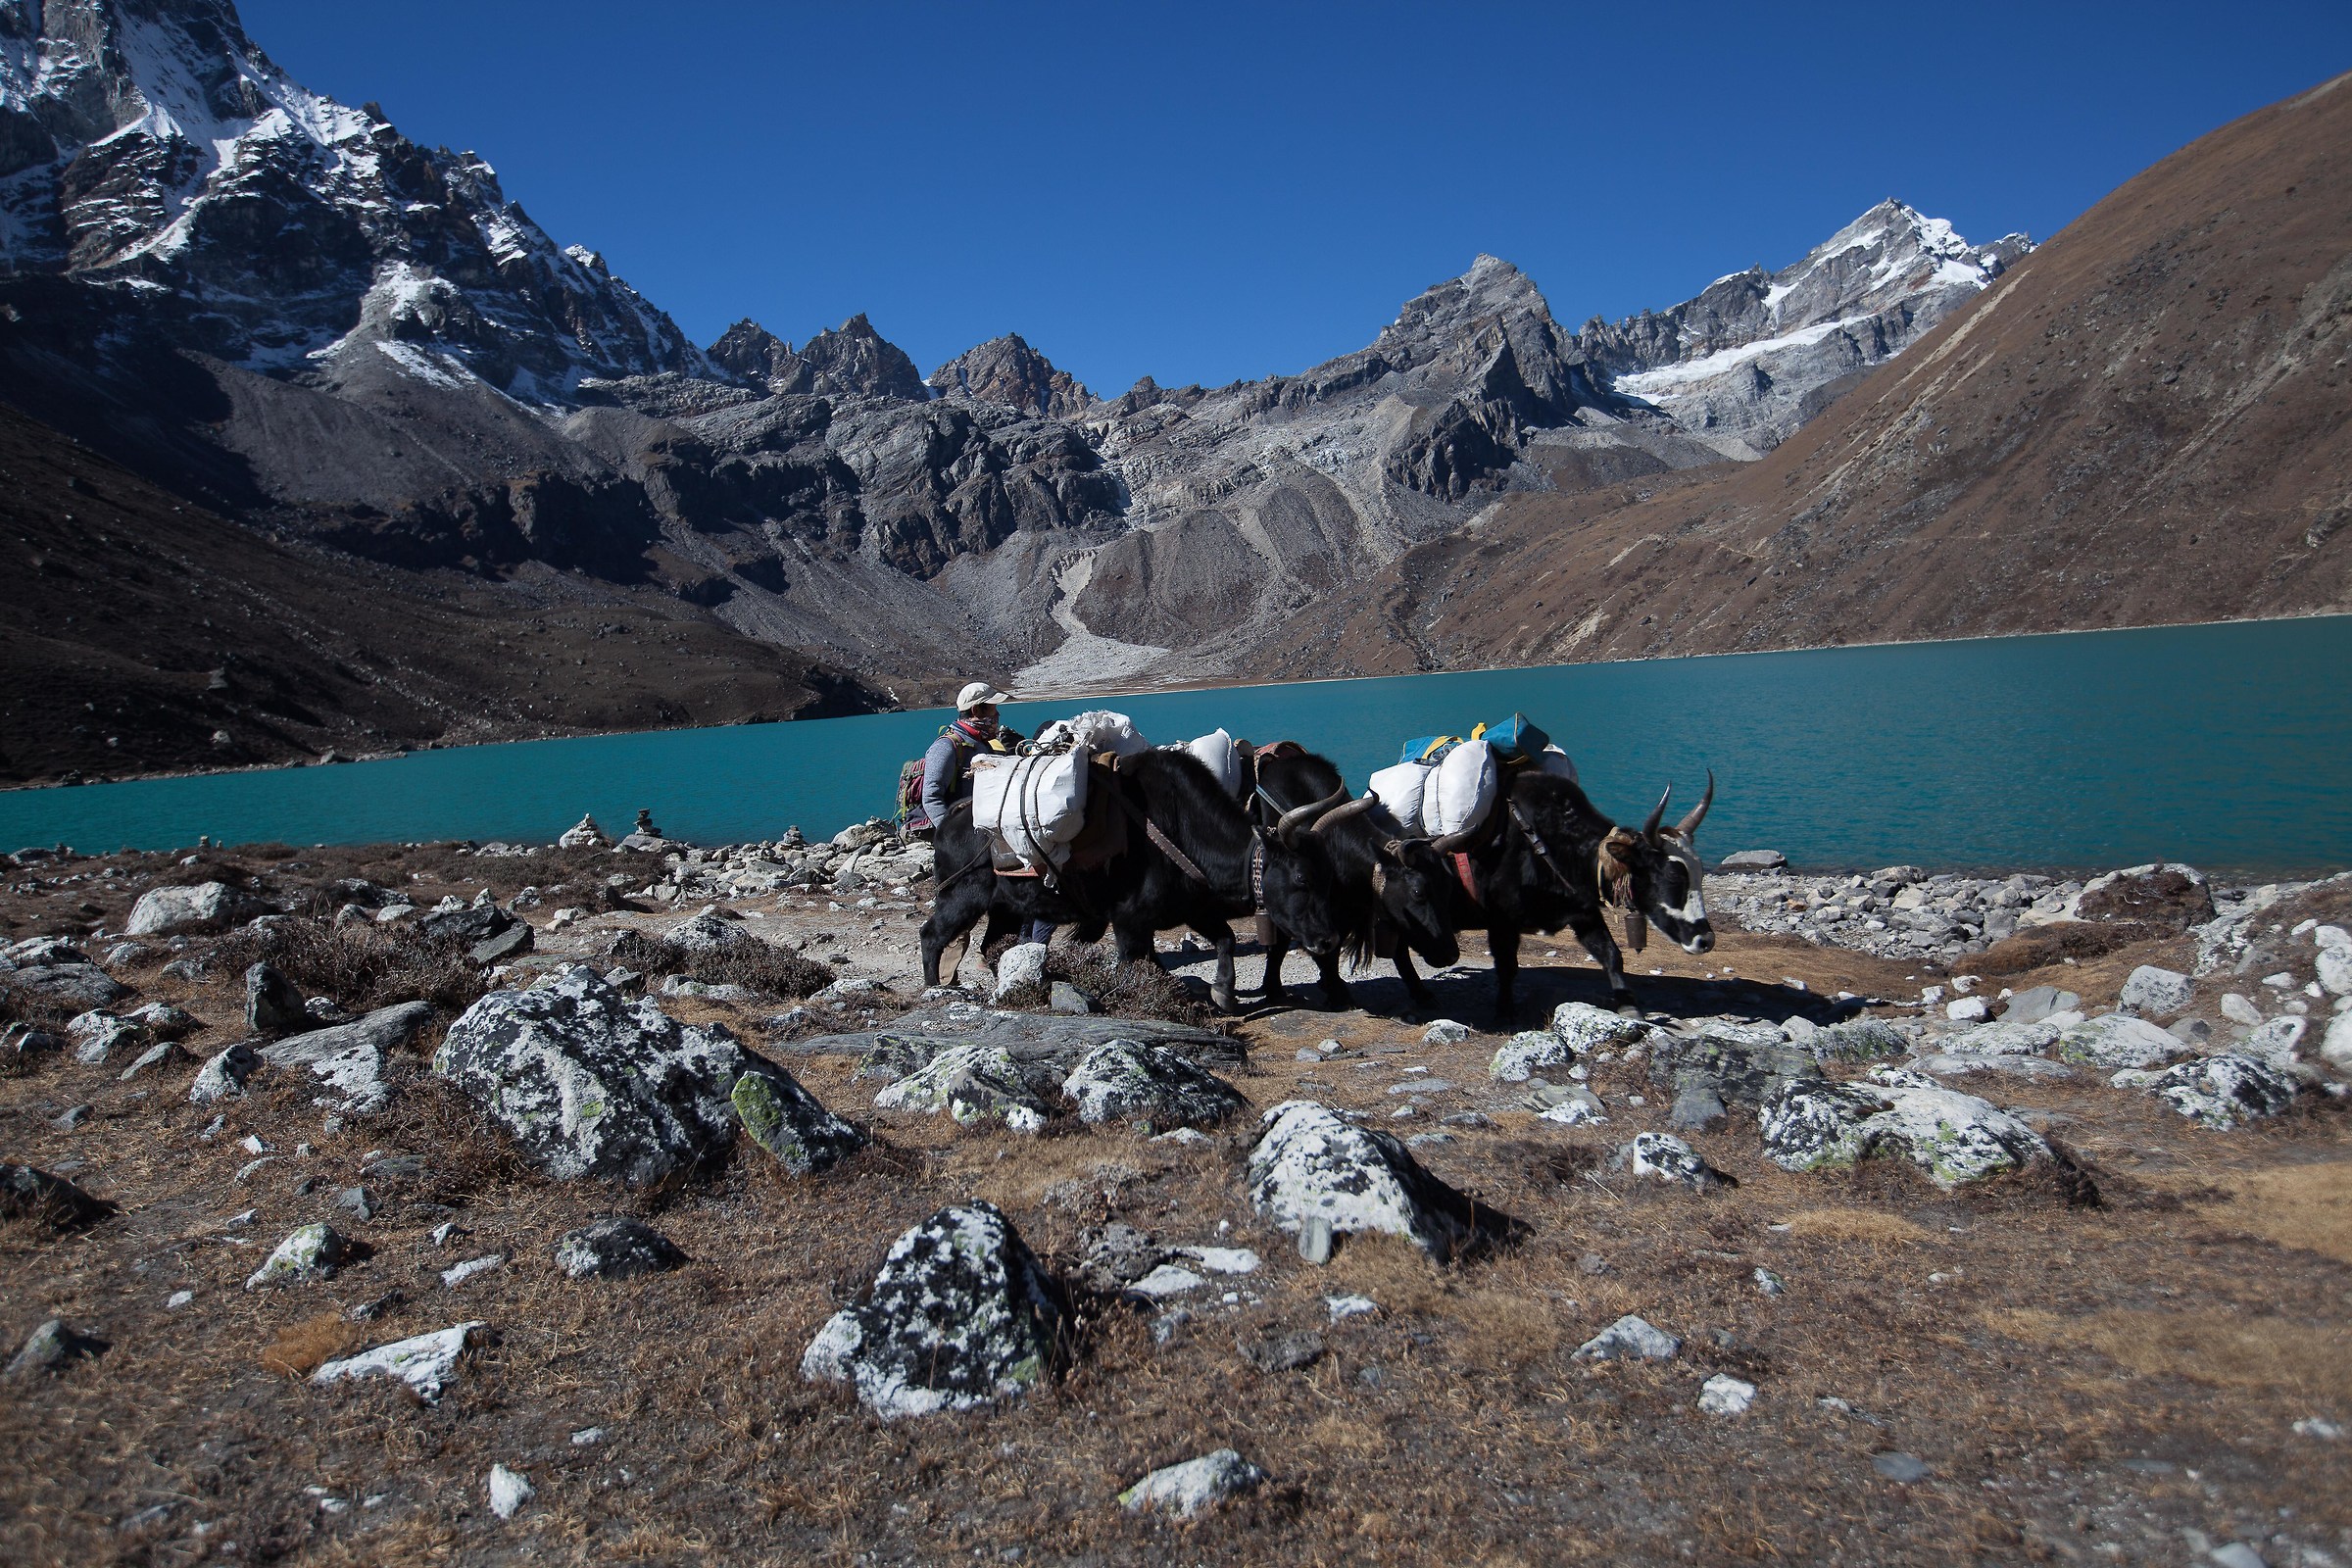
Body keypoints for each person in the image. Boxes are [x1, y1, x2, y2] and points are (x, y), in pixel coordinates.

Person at [918, 681, 1054, 948]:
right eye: (992, 709)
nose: (997, 716)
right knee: (960, 909)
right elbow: (930, 796)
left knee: (1002, 900)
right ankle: (943, 981)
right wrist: (950, 837)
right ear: (977, 710)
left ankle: (995, 956)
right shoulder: (946, 747)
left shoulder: (986, 745)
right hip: (964, 845)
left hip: (990, 843)